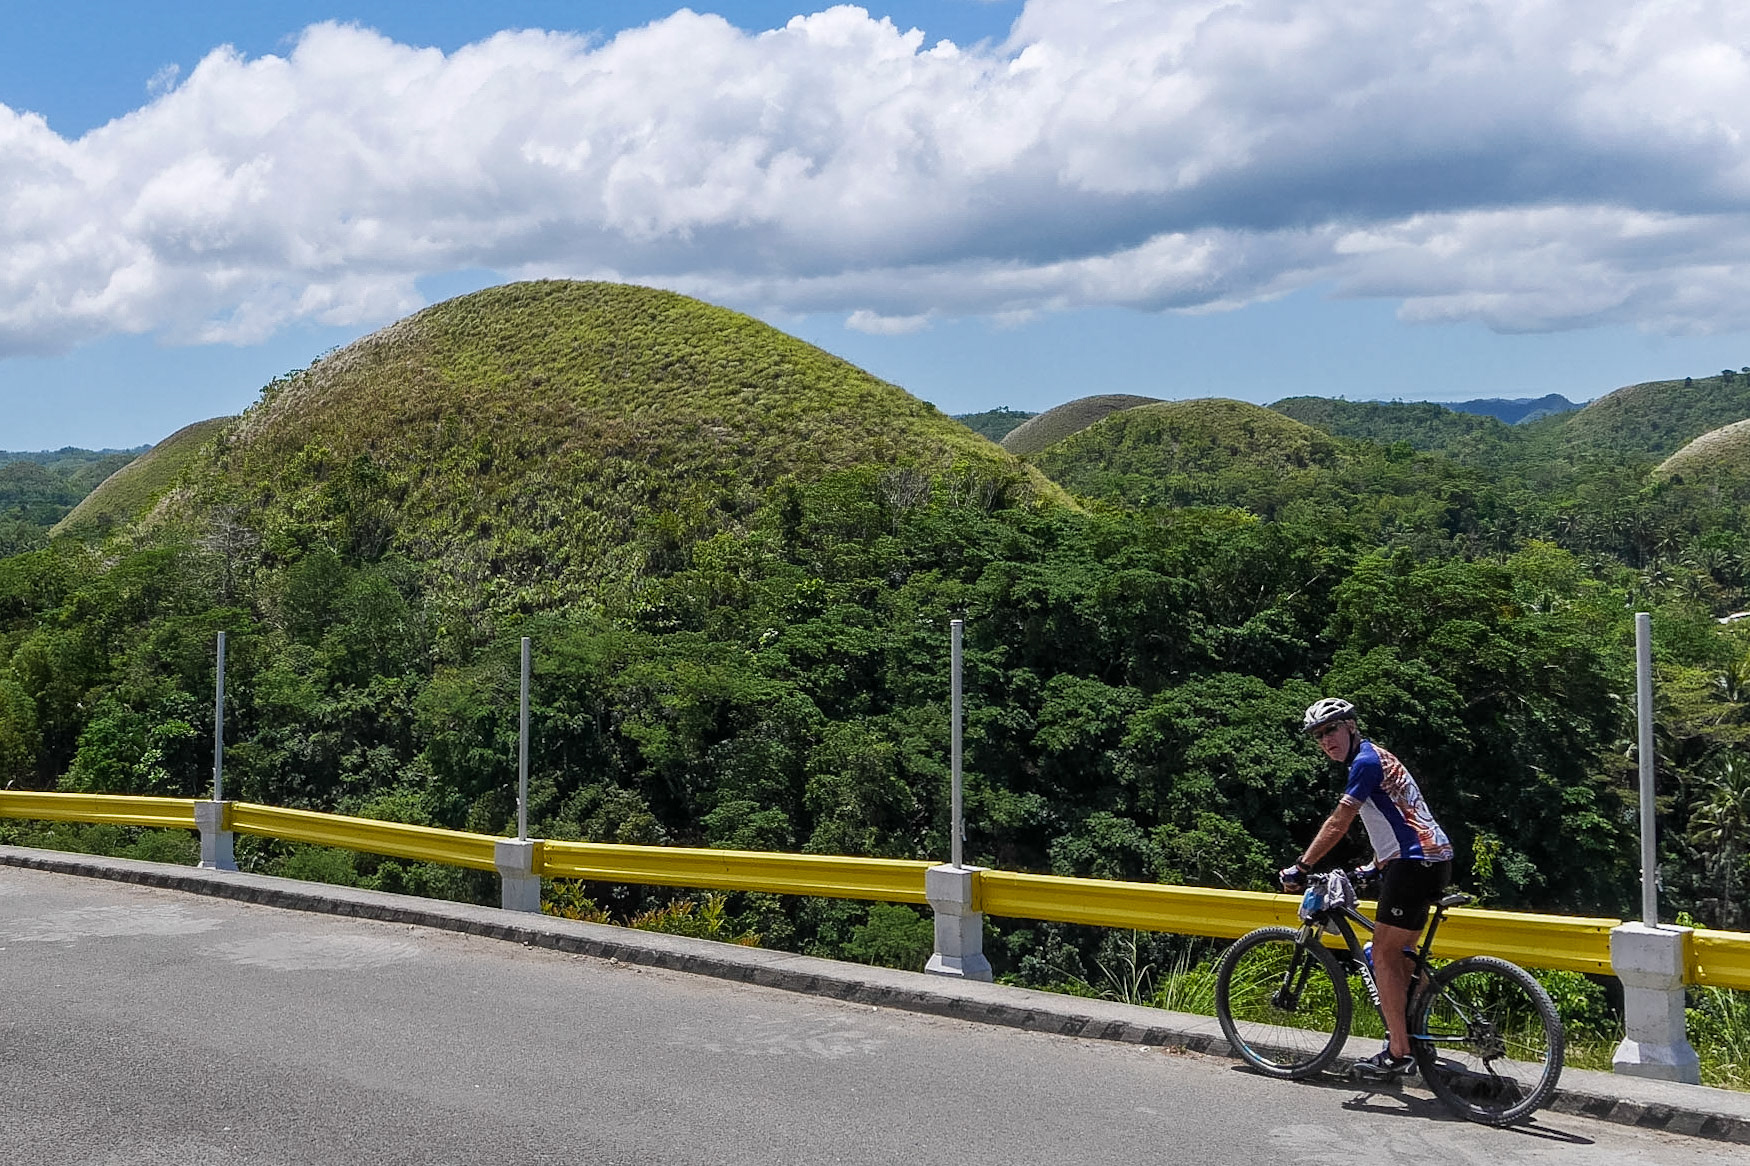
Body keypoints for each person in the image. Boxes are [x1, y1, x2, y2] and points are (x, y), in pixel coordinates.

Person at [1280, 697, 1454, 1080]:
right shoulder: (1377, 757)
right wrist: (1374, 866)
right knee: (1399, 952)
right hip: (1430, 860)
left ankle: (1398, 1051)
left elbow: (1339, 822)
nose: (1326, 740)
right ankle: (1419, 1031)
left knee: (1386, 956)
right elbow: (1401, 815)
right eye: (1319, 736)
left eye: (1331, 729)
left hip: (1413, 863)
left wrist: (1302, 865)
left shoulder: (1365, 762)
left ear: (1351, 726)